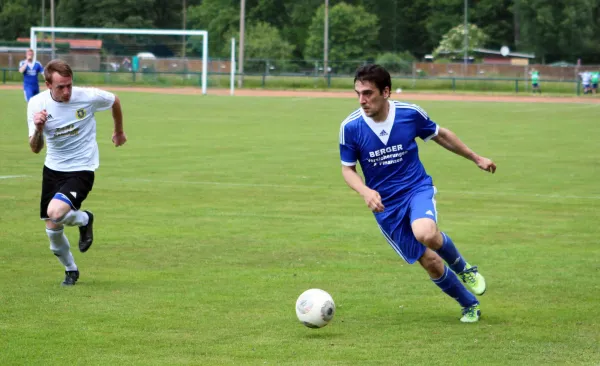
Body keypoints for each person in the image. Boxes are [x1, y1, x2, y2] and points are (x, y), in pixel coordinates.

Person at [339, 64, 496, 323]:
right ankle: (469, 303)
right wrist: (365, 191)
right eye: (358, 93)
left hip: (415, 188)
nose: (362, 100)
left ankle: (464, 268)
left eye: (368, 93)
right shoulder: (350, 127)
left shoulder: (409, 114)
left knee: (425, 233)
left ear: (386, 91)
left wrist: (475, 157)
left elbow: (441, 135)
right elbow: (348, 170)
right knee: (431, 262)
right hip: (385, 206)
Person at [27, 59, 127, 286]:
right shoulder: (36, 105)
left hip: (82, 168)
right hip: (52, 169)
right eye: (60, 87)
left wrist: (119, 131)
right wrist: (39, 129)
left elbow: (115, 100)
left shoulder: (87, 96)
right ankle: (71, 270)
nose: (67, 91)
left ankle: (83, 218)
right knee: (52, 230)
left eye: (69, 85)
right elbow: (35, 148)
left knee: (55, 211)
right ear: (47, 85)